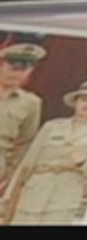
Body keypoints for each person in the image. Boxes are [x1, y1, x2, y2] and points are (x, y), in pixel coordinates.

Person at [2, 80, 87, 225]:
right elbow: (29, 160)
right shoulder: (52, 126)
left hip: (65, 195)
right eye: (84, 99)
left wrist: (84, 161)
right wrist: (11, 191)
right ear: (75, 102)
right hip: (36, 189)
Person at [0, 42, 44, 196]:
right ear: (2, 65)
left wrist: (10, 176)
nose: (16, 74)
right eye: (13, 68)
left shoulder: (31, 103)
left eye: (23, 70)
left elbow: (25, 142)